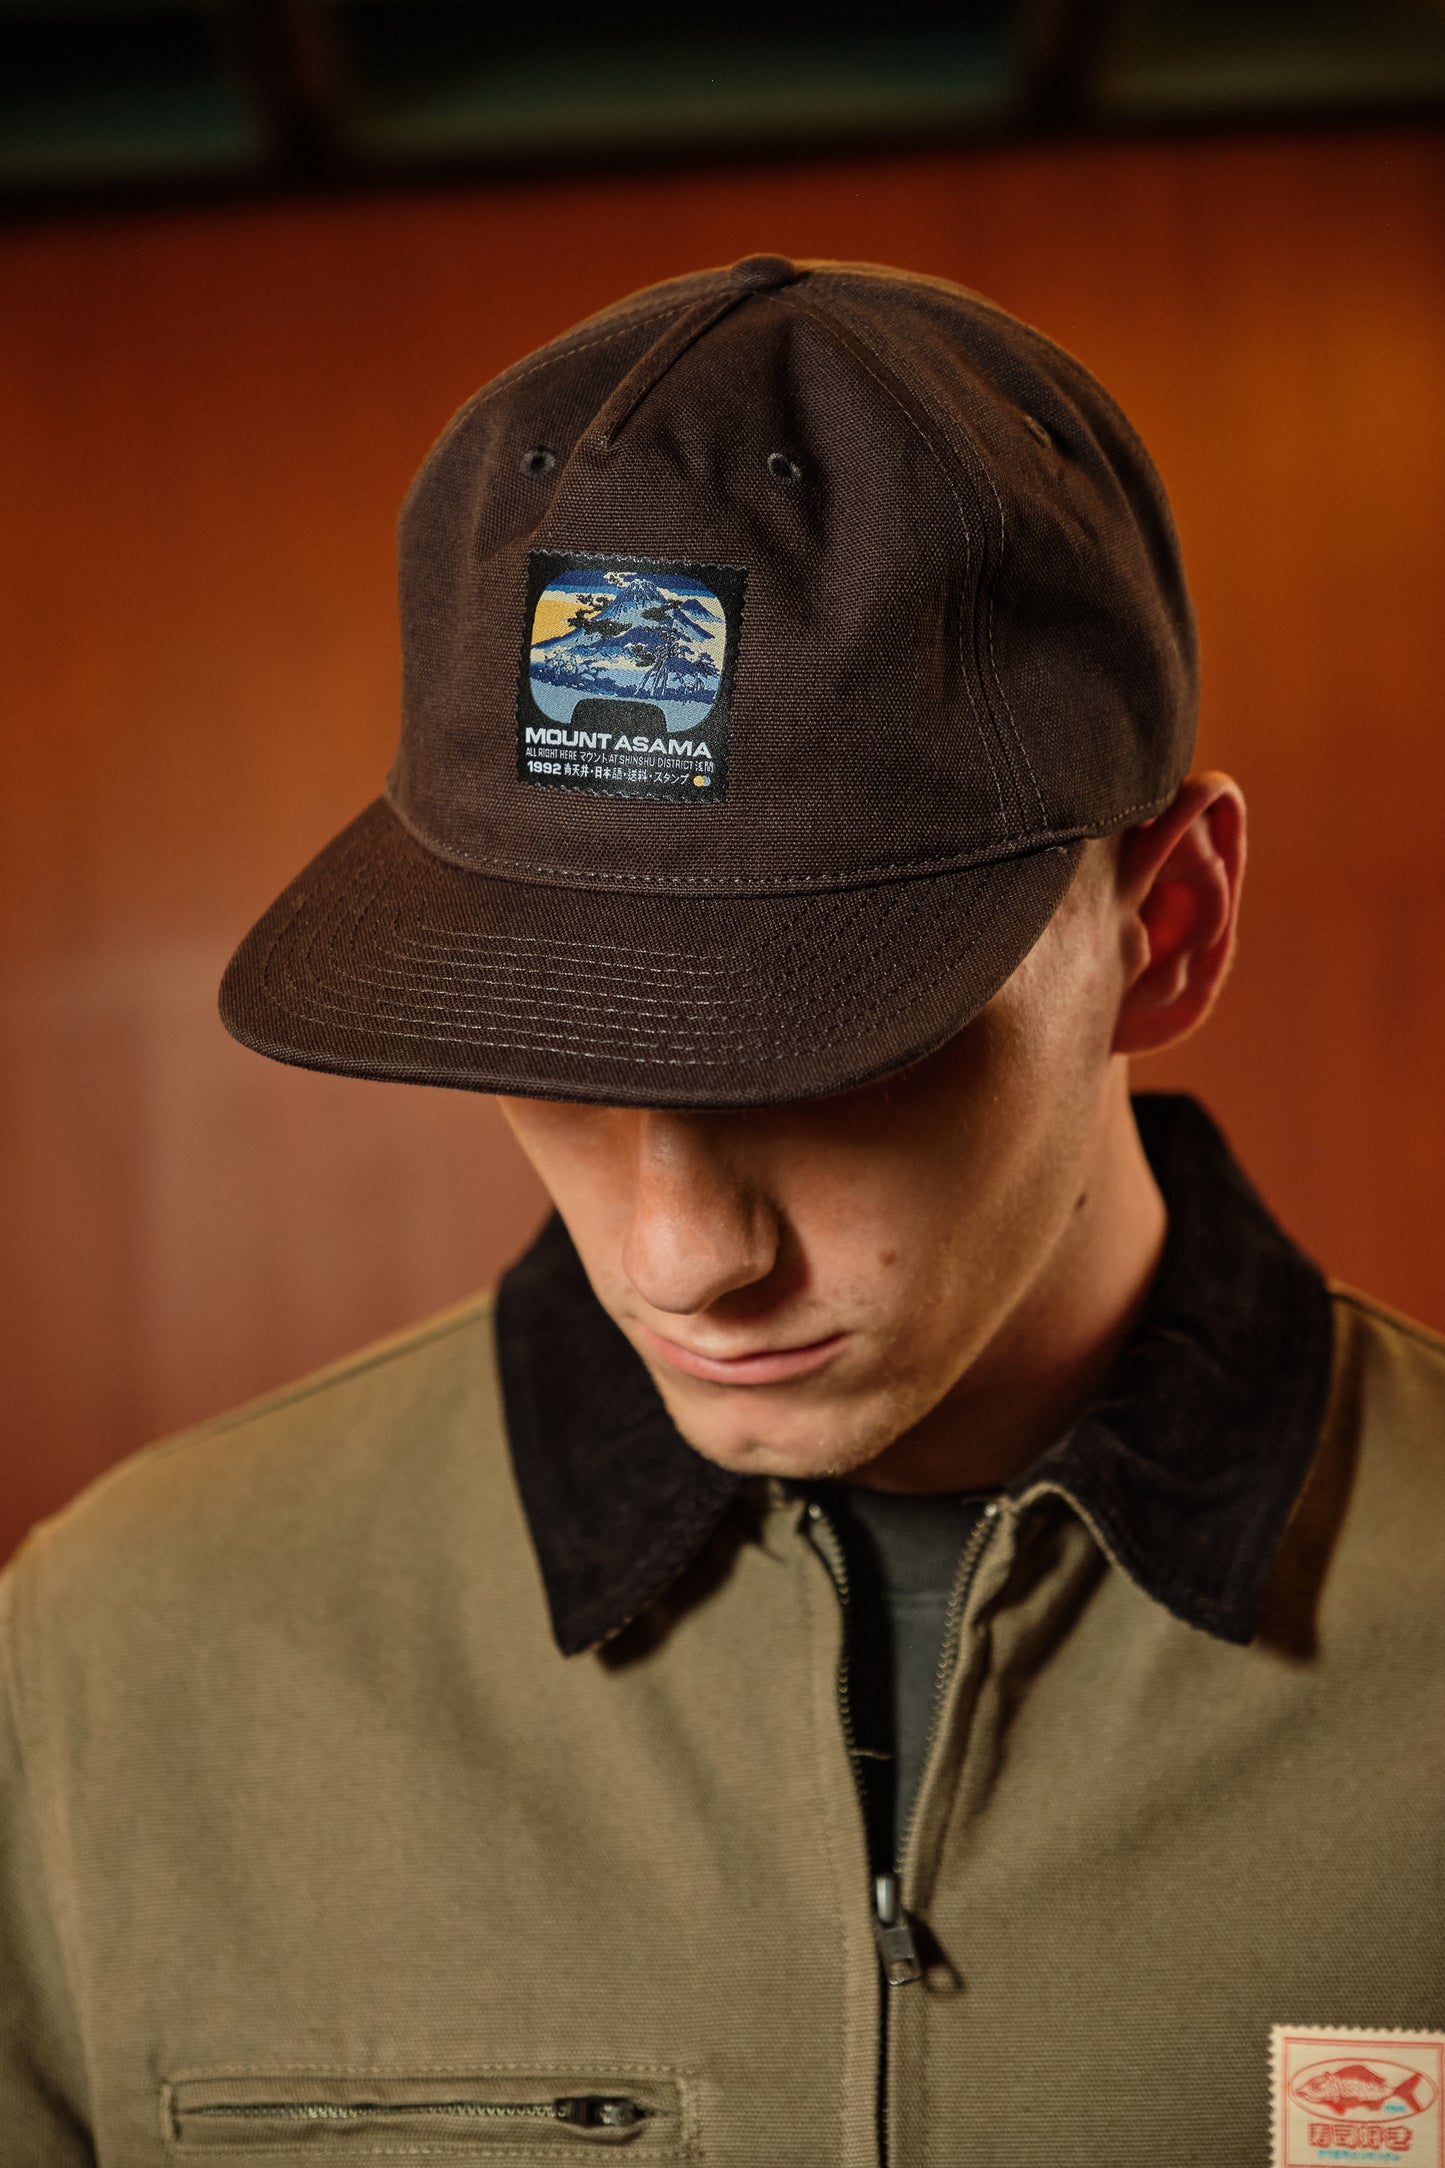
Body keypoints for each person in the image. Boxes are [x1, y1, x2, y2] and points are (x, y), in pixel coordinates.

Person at [3, 255, 1442, 2168]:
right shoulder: (117, 1658)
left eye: (837, 1057)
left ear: (1160, 928)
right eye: (547, 1046)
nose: (683, 1258)